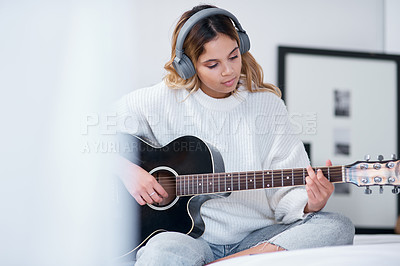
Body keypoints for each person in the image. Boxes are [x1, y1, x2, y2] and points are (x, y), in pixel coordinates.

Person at [114, 4, 354, 265]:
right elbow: (78, 136)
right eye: (212, 64)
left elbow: (286, 195)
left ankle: (235, 261)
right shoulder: (159, 100)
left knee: (337, 226)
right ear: (188, 65)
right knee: (161, 252)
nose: (228, 71)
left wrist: (311, 202)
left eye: (233, 56)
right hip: (188, 238)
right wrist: (126, 170)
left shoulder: (267, 106)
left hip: (256, 238)